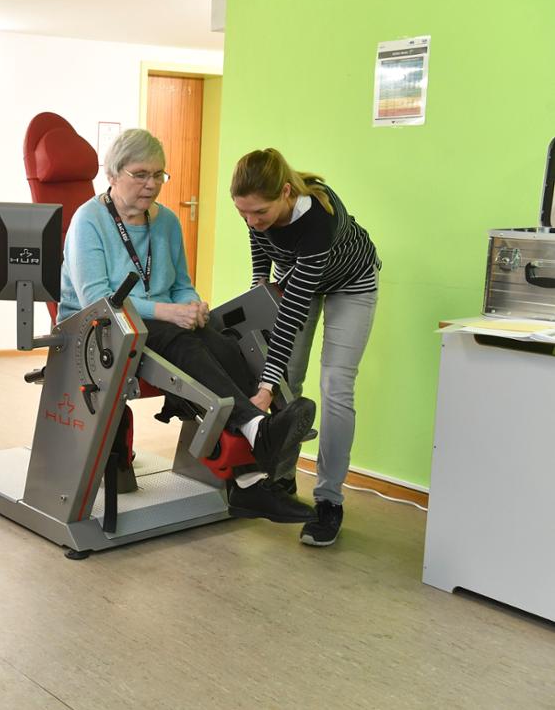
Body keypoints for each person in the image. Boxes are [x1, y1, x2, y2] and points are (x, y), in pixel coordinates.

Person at [59, 129, 317, 523]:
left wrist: (192, 306)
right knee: (182, 342)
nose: (151, 184)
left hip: (158, 326)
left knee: (226, 343)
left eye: (159, 175)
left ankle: (250, 479)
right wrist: (169, 312)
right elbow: (98, 298)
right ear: (112, 174)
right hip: (98, 328)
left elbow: (180, 284)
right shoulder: (88, 221)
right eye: (141, 173)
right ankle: (254, 428)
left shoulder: (167, 223)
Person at [230, 148, 381, 547]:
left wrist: (263, 387)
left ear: (284, 193)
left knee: (335, 386)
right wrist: (260, 280)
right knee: (287, 383)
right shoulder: (254, 204)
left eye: (259, 212)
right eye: (243, 213)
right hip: (297, 278)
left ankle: (329, 500)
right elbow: (261, 247)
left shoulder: (318, 218)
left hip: (351, 283)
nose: (252, 221)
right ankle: (280, 482)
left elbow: (293, 310)